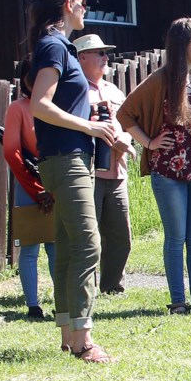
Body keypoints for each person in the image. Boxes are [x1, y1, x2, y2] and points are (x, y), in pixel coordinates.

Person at [27, 0, 118, 362]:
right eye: (82, 1)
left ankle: (68, 333)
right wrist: (90, 126)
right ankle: (83, 340)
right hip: (66, 159)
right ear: (68, 4)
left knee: (67, 245)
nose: (86, 7)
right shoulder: (53, 46)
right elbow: (40, 105)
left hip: (64, 158)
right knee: (87, 244)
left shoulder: (58, 45)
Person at [118, 18, 191, 314]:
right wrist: (148, 143)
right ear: (180, 45)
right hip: (168, 170)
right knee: (176, 238)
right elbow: (125, 114)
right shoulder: (160, 80)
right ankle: (178, 302)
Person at [72, 34, 135, 295]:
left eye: (106, 53)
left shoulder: (114, 91)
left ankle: (112, 287)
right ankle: (85, 288)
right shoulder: (74, 91)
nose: (105, 58)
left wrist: (125, 138)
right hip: (89, 173)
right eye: (99, 53)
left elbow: (130, 123)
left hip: (117, 172)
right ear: (82, 57)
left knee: (121, 236)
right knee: (89, 236)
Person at [3, 57, 55, 319]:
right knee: (30, 247)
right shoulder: (18, 108)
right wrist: (36, 189)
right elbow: (12, 153)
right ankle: (33, 305)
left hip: (57, 183)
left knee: (57, 245)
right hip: (29, 184)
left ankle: (64, 300)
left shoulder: (57, 105)